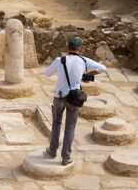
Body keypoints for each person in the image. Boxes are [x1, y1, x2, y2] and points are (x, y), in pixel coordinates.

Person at [43, 37, 107, 165]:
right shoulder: (84, 61)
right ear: (79, 48)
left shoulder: (59, 60)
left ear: (68, 47)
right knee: (70, 128)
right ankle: (66, 157)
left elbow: (47, 73)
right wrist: (87, 75)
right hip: (74, 98)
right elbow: (102, 68)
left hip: (59, 96)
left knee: (56, 123)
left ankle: (52, 149)